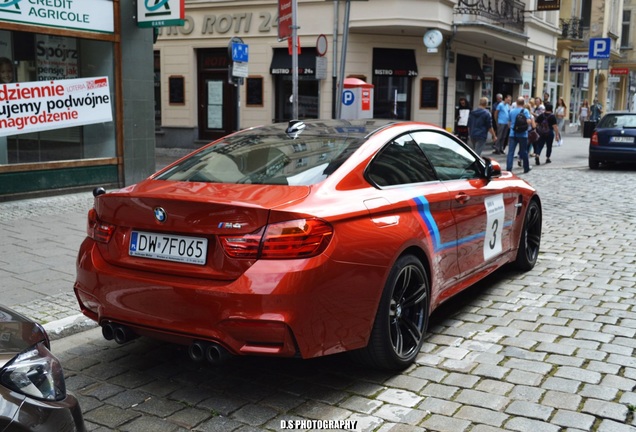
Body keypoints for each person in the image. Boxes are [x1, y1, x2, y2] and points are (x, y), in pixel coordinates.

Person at [507, 96, 535, 173]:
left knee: (511, 152)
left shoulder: (512, 111)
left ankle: (509, 168)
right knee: (524, 151)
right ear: (523, 103)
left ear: (516, 102)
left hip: (513, 134)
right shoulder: (525, 111)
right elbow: (529, 121)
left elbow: (509, 123)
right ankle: (526, 168)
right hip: (523, 134)